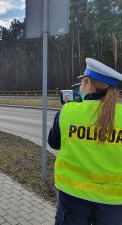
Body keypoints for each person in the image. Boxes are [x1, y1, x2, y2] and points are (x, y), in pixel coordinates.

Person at [48, 58, 122, 225]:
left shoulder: (68, 111)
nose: (80, 86)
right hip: (114, 203)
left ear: (88, 83)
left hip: (73, 197)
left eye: (81, 82)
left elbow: (54, 143)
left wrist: (67, 108)